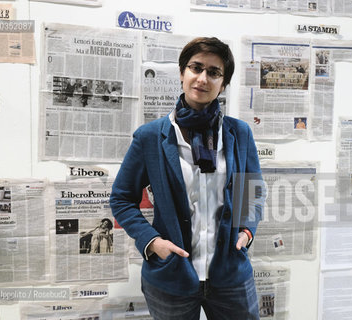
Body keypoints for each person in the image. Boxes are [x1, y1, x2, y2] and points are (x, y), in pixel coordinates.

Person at [110, 37, 264, 319]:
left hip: (231, 277)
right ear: (182, 73)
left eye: (214, 72)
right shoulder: (150, 137)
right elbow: (121, 199)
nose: (203, 78)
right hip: (172, 280)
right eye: (196, 68)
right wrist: (153, 242)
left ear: (223, 83)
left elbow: (252, 191)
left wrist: (247, 230)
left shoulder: (239, 133)